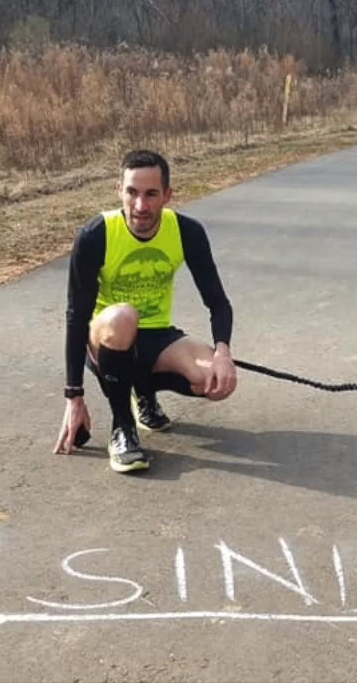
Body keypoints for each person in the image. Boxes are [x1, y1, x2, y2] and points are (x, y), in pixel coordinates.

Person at [55, 149, 237, 472]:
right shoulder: (96, 235)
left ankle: (144, 393)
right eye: (132, 192)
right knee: (124, 315)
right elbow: (76, 315)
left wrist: (223, 350)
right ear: (119, 191)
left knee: (218, 381)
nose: (141, 206)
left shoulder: (187, 232)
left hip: (158, 337)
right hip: (108, 338)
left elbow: (218, 302)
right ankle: (122, 428)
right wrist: (74, 396)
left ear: (168, 195)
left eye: (152, 194)